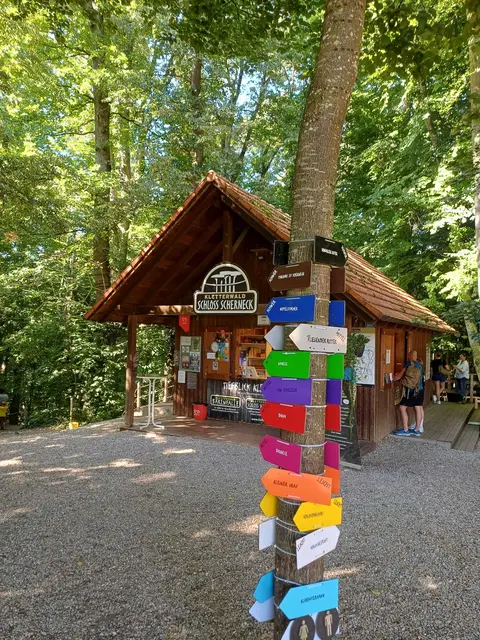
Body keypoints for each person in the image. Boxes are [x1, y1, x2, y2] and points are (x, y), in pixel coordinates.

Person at [392, 351, 424, 436]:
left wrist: (393, 378)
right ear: (416, 356)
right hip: (419, 389)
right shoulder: (420, 365)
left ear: (409, 356)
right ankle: (417, 430)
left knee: (402, 408)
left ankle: (405, 430)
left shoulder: (408, 364)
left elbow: (400, 375)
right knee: (418, 408)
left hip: (410, 390)